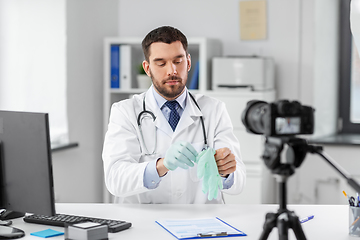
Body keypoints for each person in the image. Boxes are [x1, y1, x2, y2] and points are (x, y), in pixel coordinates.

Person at [102, 26, 246, 204]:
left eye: (178, 61)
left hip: (201, 223)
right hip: (145, 223)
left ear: (188, 62)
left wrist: (226, 171)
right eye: (161, 63)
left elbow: (238, 181)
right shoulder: (125, 112)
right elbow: (115, 179)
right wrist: (161, 165)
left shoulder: (214, 110)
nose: (172, 71)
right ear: (147, 68)